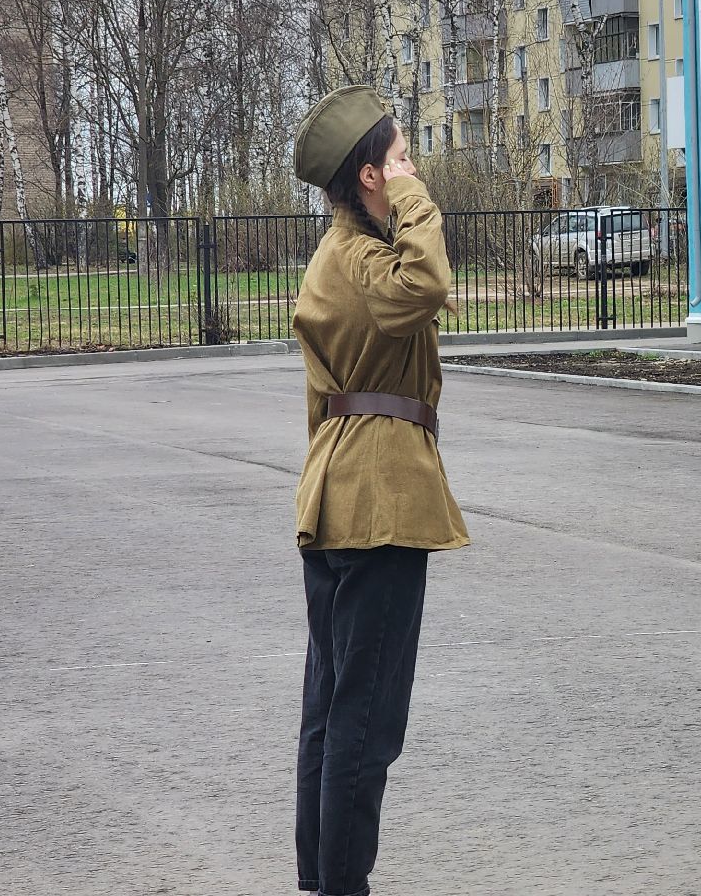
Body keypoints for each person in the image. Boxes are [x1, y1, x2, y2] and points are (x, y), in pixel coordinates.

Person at [290, 86, 469, 896]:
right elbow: (425, 283)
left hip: (339, 495)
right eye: (399, 159)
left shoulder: (341, 258)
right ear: (368, 176)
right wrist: (417, 201)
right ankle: (341, 888)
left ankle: (322, 880)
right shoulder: (360, 260)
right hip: (379, 504)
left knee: (332, 713)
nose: (410, 171)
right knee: (365, 722)